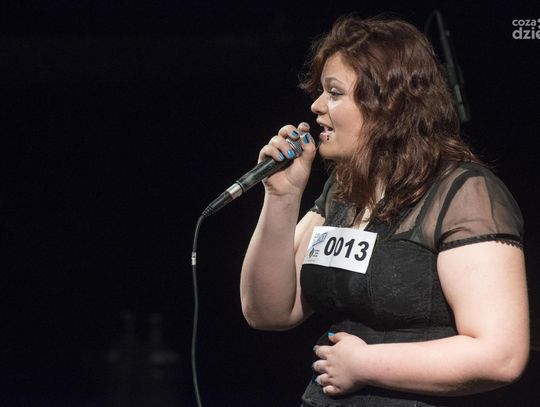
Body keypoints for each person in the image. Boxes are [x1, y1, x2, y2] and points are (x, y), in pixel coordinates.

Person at [240, 15, 529, 406]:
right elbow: (269, 312)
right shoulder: (343, 191)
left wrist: (365, 364)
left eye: (334, 92)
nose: (316, 106)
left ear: (387, 104)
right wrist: (282, 198)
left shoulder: (463, 194)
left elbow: (501, 355)